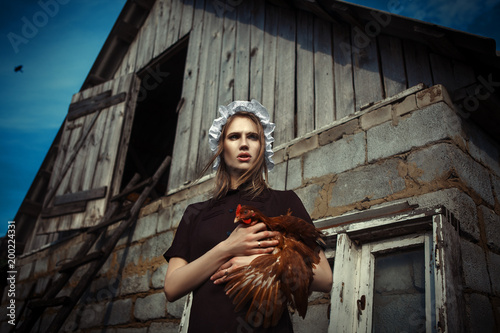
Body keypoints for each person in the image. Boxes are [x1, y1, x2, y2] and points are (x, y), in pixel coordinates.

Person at [163, 100, 332, 332]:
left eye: (253, 137)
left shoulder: (284, 202)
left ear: (263, 146)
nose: (244, 144)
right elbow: (172, 288)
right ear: (221, 146)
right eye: (234, 137)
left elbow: (324, 277)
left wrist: (259, 264)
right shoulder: (196, 213)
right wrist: (227, 248)